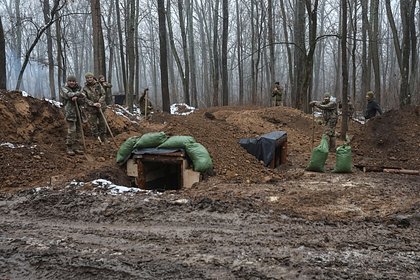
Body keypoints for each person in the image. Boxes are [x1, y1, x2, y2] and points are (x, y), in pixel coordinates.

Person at [60, 75, 86, 156]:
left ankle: (76, 146)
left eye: (73, 81)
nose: (71, 82)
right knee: (72, 130)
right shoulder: (64, 88)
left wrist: (78, 97)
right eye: (70, 81)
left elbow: (83, 99)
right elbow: (69, 94)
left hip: (78, 112)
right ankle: (69, 146)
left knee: (78, 130)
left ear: (75, 82)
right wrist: (78, 94)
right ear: (67, 82)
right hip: (70, 112)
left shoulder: (78, 88)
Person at [82, 72, 107, 143]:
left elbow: (103, 94)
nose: (89, 79)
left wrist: (99, 102)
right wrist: (93, 104)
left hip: (101, 107)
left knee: (103, 123)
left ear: (93, 78)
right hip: (91, 109)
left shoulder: (98, 85)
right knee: (93, 124)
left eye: (90, 77)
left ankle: (103, 137)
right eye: (87, 78)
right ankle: (96, 138)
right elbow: (85, 98)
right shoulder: (85, 88)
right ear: (86, 79)